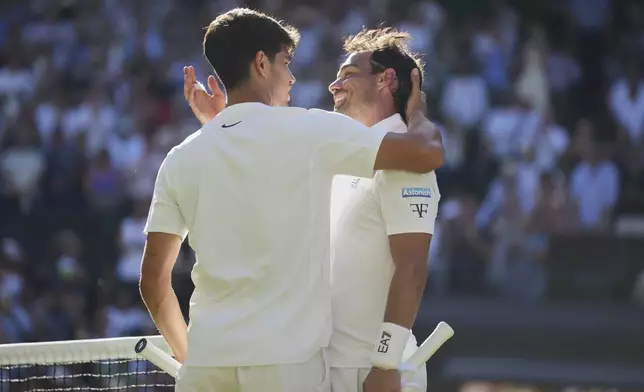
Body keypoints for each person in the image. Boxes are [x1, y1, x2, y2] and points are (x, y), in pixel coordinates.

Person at [140, 8, 443, 392]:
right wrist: (417, 115)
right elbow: (426, 153)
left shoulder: (182, 157)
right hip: (288, 368)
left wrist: (190, 359)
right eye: (286, 62)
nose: (294, 76)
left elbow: (152, 282)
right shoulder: (313, 133)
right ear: (262, 64)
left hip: (206, 365)